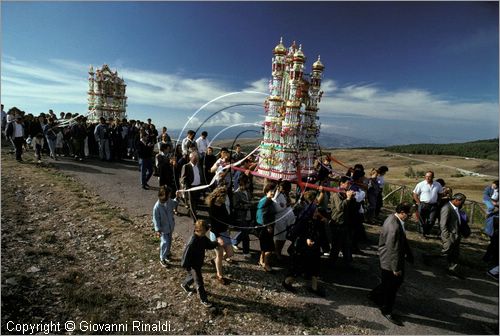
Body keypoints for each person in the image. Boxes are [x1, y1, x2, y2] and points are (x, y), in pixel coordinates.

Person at [369, 202, 413, 326]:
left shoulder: (393, 218)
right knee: (392, 287)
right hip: (390, 262)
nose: (410, 217)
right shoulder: (394, 227)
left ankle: (375, 295)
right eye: (408, 214)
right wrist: (396, 268)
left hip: (389, 259)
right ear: (402, 213)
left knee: (388, 283)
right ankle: (386, 310)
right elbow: (394, 249)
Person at [283, 190, 327, 296]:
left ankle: (314, 287)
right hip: (304, 245)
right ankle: (287, 282)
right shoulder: (308, 212)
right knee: (300, 266)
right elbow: (304, 228)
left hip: (312, 245)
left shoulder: (310, 209)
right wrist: (307, 237)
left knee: (315, 265)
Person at [180, 219, 218, 307]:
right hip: (193, 265)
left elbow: (208, 245)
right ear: (198, 230)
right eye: (204, 231)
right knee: (199, 281)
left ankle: (184, 284)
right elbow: (185, 256)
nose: (205, 233)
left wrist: (216, 243)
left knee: (192, 277)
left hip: (198, 263)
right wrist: (186, 266)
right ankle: (203, 299)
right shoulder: (192, 242)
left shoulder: (202, 237)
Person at [206, 186, 233, 285]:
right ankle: (219, 274)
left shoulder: (222, 205)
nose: (225, 199)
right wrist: (218, 237)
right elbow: (213, 225)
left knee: (230, 253)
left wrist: (229, 224)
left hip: (224, 231)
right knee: (220, 254)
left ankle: (216, 261)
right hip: (216, 233)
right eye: (224, 197)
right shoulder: (212, 208)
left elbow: (226, 217)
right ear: (219, 196)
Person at [328, 176, 356, 266]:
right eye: (347, 183)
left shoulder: (345, 193)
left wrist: (352, 198)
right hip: (337, 223)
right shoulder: (337, 194)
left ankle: (347, 263)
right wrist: (348, 199)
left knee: (346, 244)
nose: (349, 185)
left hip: (345, 222)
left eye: (350, 183)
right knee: (336, 245)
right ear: (341, 183)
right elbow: (340, 207)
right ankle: (331, 264)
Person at [439, 193, 467, 277]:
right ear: (456, 200)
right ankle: (430, 259)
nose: (462, 204)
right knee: (445, 252)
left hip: (456, 235)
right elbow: (442, 224)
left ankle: (452, 269)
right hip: (450, 235)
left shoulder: (456, 208)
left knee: (455, 253)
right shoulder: (446, 208)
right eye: (461, 202)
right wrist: (447, 236)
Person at [153, 186, 179, 267]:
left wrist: (177, 197)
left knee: (169, 242)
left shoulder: (169, 201)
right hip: (163, 230)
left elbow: (174, 204)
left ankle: (167, 254)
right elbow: (155, 219)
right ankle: (162, 258)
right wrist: (157, 230)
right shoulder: (157, 207)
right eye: (169, 195)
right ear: (165, 196)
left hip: (170, 227)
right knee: (164, 243)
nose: (170, 196)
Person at [412, 171, 443, 238]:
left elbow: (440, 193)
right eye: (426, 176)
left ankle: (426, 231)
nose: (428, 178)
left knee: (431, 220)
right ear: (425, 177)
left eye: (430, 176)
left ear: (433, 177)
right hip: (423, 204)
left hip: (433, 205)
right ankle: (422, 233)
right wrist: (418, 203)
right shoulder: (420, 184)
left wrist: (438, 201)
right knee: (421, 220)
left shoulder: (437, 184)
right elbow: (415, 194)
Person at [256, 183, 277, 272]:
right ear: (266, 192)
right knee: (269, 247)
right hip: (265, 227)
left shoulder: (264, 200)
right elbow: (264, 215)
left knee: (264, 246)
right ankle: (266, 265)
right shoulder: (267, 201)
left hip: (262, 226)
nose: (273, 192)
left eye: (274, 191)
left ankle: (261, 261)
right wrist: (268, 226)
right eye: (271, 191)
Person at [231, 174, 253, 258]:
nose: (249, 184)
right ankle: (246, 252)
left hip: (248, 214)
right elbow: (235, 206)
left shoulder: (247, 191)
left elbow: (249, 200)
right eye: (247, 182)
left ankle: (234, 241)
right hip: (241, 217)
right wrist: (245, 206)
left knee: (245, 232)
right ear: (242, 183)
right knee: (245, 235)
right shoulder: (237, 193)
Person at [180, 152, 202, 221]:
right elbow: (182, 179)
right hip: (191, 188)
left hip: (198, 187)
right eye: (195, 158)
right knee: (192, 204)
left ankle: (191, 212)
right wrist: (186, 186)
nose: (196, 160)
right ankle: (194, 219)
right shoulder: (186, 166)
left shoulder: (198, 165)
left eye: (197, 158)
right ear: (190, 158)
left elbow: (200, 174)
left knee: (196, 202)